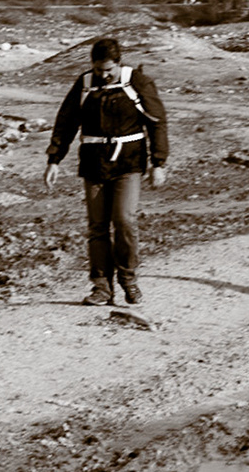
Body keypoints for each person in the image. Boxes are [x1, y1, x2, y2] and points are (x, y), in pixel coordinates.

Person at [43, 37, 169, 306]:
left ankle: (128, 279)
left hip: (129, 162)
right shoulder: (85, 83)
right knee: (97, 227)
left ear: (119, 63)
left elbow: (157, 122)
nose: (102, 75)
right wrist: (54, 159)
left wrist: (159, 163)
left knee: (124, 220)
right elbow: (66, 122)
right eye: (98, 69)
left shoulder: (137, 81)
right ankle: (101, 287)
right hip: (94, 163)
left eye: (108, 70)